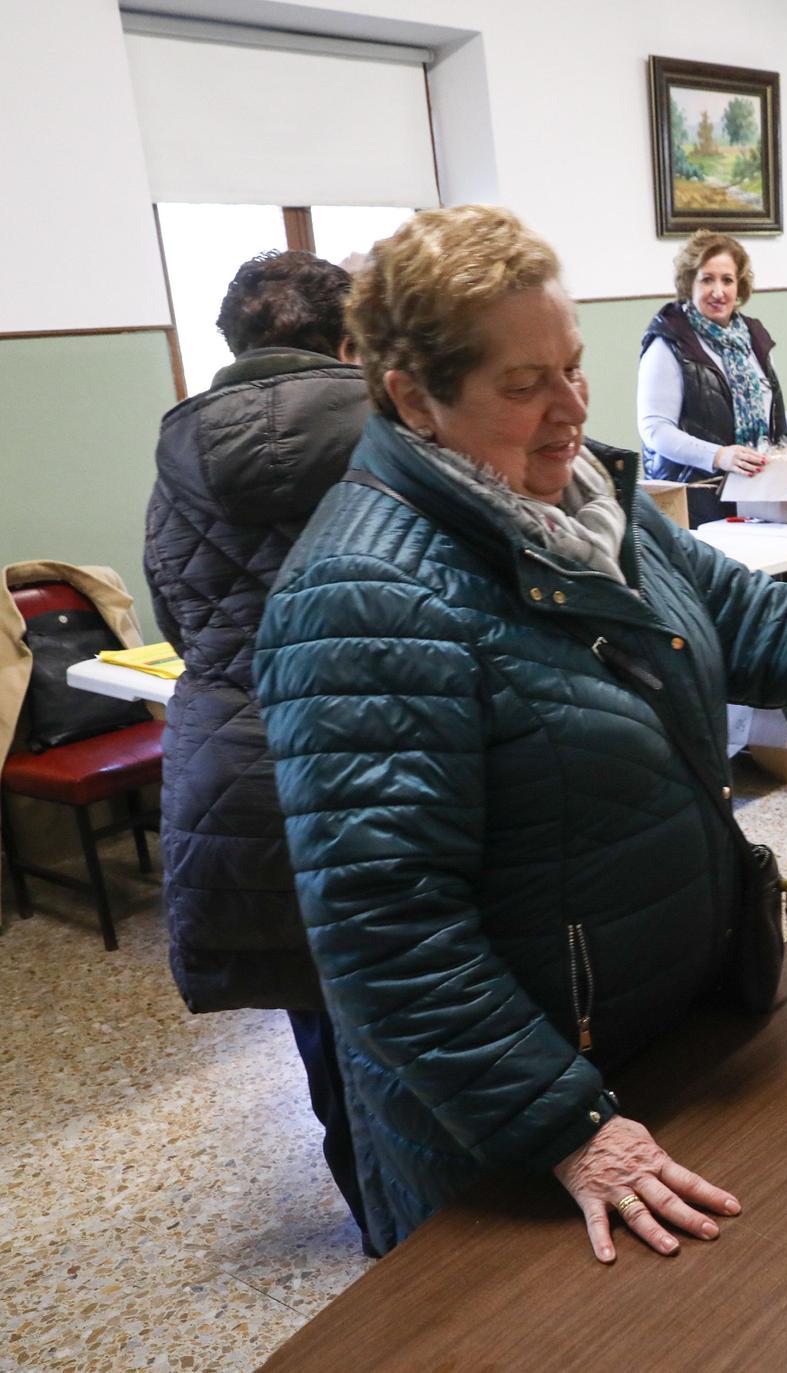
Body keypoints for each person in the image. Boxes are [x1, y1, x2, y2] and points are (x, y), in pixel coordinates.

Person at [253, 206, 787, 1259]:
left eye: (573, 367)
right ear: (414, 398)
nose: (569, 407)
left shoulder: (588, 502)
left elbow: (747, 613)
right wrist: (566, 1124)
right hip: (516, 1135)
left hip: (664, 1041)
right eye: (522, 384)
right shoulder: (365, 593)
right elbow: (385, 927)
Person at [143, 250, 373, 1250]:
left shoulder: (176, 467)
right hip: (382, 751)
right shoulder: (398, 429)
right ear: (348, 338)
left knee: (319, 1019)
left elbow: (183, 620)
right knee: (431, 999)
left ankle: (381, 1237)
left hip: (237, 770)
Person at [637, 230, 787, 525]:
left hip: (759, 489)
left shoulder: (752, 337)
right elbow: (655, 430)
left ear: (740, 285)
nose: (718, 291)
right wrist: (718, 455)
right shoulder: (667, 343)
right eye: (706, 279)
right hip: (697, 500)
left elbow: (765, 408)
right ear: (689, 282)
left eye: (727, 280)